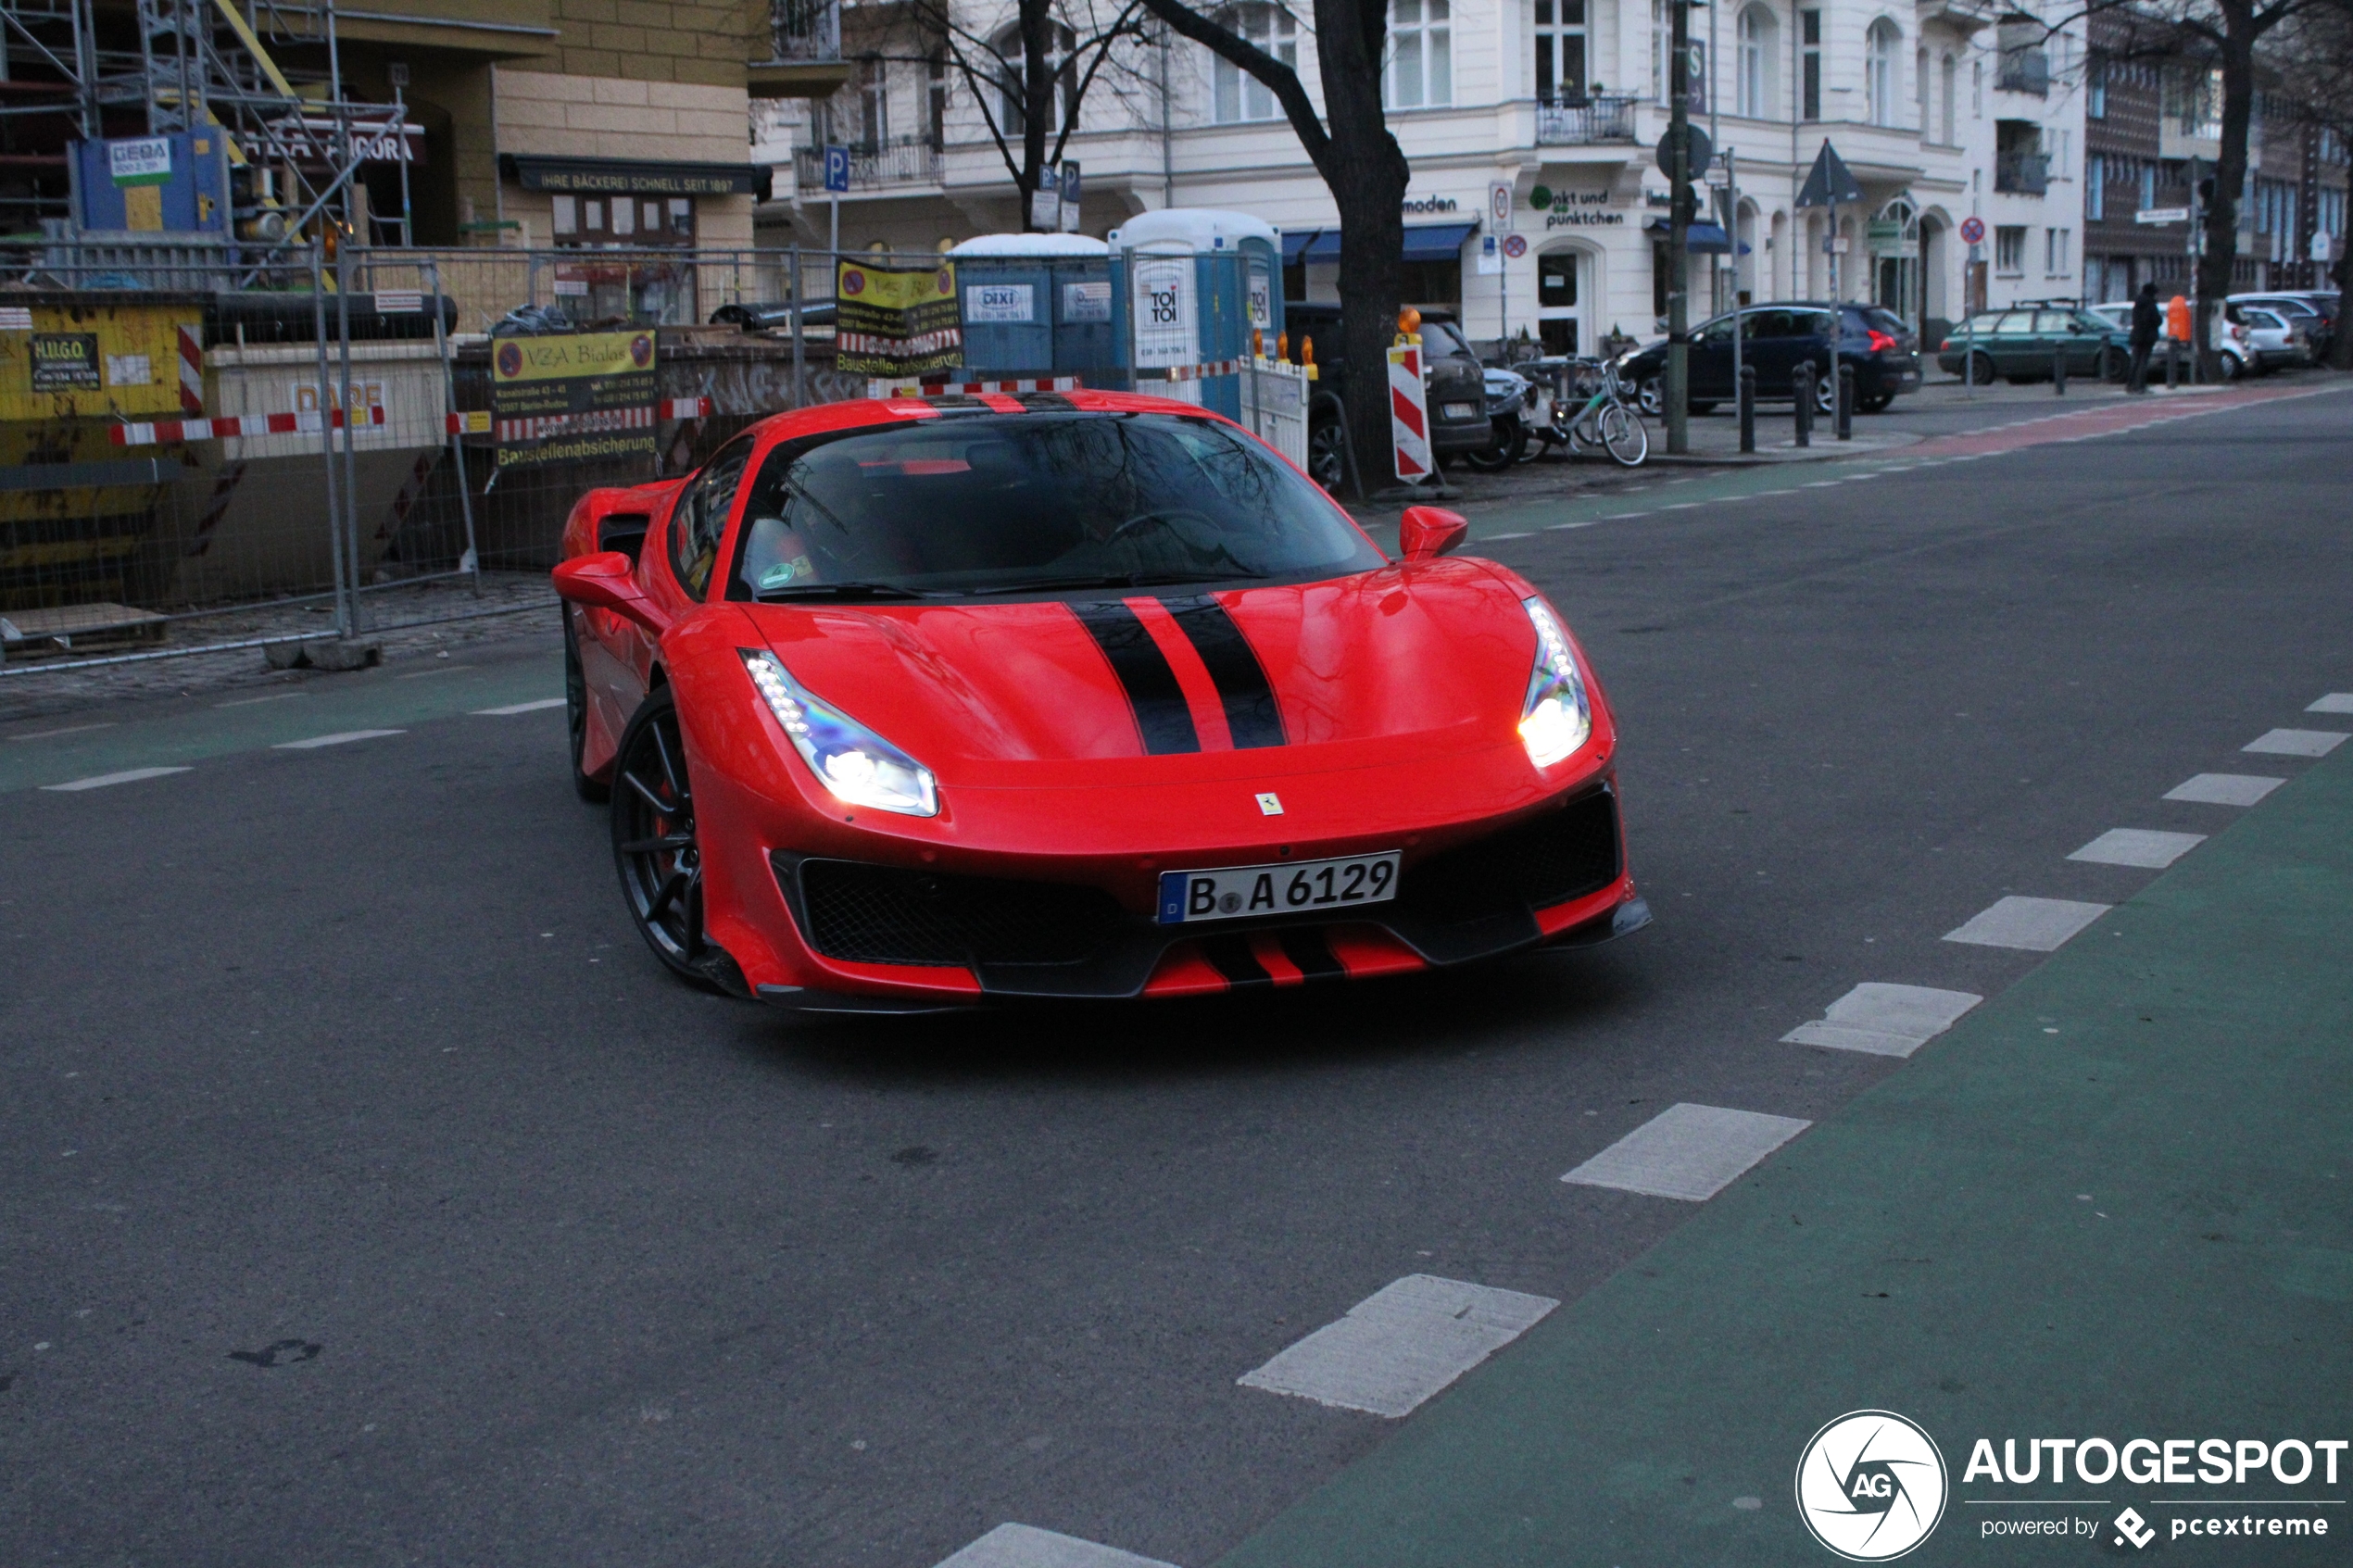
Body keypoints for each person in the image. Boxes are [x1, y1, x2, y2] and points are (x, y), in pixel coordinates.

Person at [2127, 281, 2160, 394]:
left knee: (2135, 360)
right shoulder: (2150, 304)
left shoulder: (2138, 303)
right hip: (2147, 336)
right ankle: (2140, 385)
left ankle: (2130, 385)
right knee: (2143, 361)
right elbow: (2155, 319)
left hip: (2137, 334)